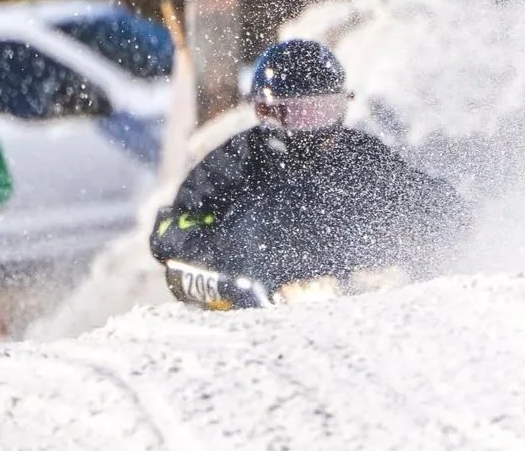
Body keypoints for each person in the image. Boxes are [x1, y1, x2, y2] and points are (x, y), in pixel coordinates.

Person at [150, 39, 465, 306]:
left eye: (324, 111)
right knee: (268, 210)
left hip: (357, 282)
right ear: (266, 112)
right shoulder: (239, 158)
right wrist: (212, 255)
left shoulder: (358, 152)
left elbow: (420, 195)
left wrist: (444, 218)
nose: (315, 127)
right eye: (300, 114)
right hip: (262, 281)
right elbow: (172, 227)